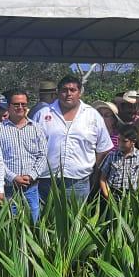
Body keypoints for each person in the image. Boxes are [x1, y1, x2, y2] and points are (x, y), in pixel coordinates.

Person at [32, 74, 112, 205]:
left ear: (79, 93)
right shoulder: (43, 114)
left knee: (75, 222)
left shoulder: (92, 115)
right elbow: (31, 146)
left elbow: (103, 149)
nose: (68, 94)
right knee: (46, 222)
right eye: (64, 90)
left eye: (73, 90)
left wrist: (91, 170)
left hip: (79, 181)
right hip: (46, 180)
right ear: (58, 93)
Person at [0, 88, 48, 221]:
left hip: (31, 188)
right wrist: (13, 177)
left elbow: (43, 156)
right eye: (16, 104)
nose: (20, 107)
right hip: (9, 189)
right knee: (10, 228)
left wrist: (31, 176)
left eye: (23, 104)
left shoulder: (37, 128)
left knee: (34, 226)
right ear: (8, 106)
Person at [100, 124, 139, 198]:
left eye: (124, 141)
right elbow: (103, 178)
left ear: (133, 142)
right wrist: (107, 196)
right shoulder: (111, 156)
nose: (120, 143)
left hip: (132, 194)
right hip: (113, 193)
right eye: (119, 140)